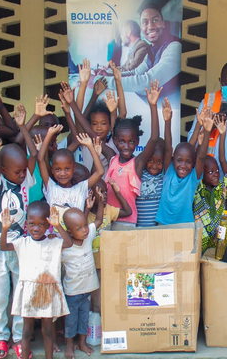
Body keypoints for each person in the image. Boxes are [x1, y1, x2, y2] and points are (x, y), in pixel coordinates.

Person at [0, 204, 72, 359]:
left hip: (47, 291)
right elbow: (4, 246)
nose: (36, 228)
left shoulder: (53, 242)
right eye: (32, 224)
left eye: (41, 224)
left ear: (47, 225)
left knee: (47, 330)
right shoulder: (22, 242)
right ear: (26, 224)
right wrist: (5, 228)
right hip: (28, 291)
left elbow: (69, 243)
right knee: (26, 330)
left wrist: (57, 226)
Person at [0, 140, 38, 358]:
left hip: (20, 249)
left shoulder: (25, 182)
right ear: (3, 170)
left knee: (20, 294)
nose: (21, 174)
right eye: (17, 171)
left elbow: (34, 156)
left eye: (23, 170)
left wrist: (26, 126)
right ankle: (1, 337)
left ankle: (19, 339)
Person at [106, 80, 162, 226]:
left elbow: (154, 138)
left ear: (137, 142)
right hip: (107, 220)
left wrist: (153, 105)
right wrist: (113, 112)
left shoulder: (137, 163)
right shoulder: (112, 158)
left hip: (127, 224)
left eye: (131, 141)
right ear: (116, 141)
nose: (126, 146)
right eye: (122, 141)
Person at [193, 116, 227, 252]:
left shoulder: (221, 189)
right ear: (202, 174)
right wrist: (200, 144)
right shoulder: (197, 189)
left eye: (217, 170)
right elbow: (198, 160)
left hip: (217, 243)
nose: (216, 174)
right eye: (210, 172)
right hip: (198, 243)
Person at [37, 124, 104, 223]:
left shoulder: (81, 188)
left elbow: (100, 172)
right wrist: (49, 135)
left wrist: (90, 146)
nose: (62, 173)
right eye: (58, 169)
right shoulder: (50, 186)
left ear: (74, 168)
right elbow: (40, 159)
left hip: (75, 237)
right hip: (54, 237)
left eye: (67, 169)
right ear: (52, 170)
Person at [61, 203, 103, 359]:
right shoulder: (64, 247)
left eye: (85, 225)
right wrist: (55, 228)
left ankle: (83, 343)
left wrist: (99, 201)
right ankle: (70, 344)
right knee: (71, 321)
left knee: (84, 318)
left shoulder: (88, 236)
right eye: (79, 229)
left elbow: (98, 220)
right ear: (69, 232)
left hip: (87, 290)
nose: (85, 230)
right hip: (72, 292)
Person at [155, 111, 210, 225]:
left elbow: (201, 157)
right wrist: (167, 121)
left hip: (185, 226)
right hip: (163, 224)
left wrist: (207, 131)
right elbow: (168, 148)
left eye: (188, 162)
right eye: (179, 160)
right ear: (173, 160)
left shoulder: (193, 178)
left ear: (193, 163)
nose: (183, 165)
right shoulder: (168, 172)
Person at [86, 180, 131, 314]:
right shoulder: (87, 214)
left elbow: (128, 211)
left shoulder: (109, 210)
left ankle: (98, 324)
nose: (104, 195)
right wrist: (88, 207)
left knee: (99, 298)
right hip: (89, 263)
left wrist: (116, 192)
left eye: (105, 192)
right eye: (100, 192)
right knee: (87, 299)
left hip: (104, 263)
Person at [120, 2, 181, 95]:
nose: (151, 26)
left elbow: (149, 82)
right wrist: (106, 76)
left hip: (172, 108)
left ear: (163, 23)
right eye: (145, 23)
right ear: (141, 28)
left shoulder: (175, 46)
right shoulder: (151, 49)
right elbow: (135, 73)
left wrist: (105, 82)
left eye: (155, 20)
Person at [136, 98, 172, 227]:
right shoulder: (139, 172)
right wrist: (153, 105)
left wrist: (167, 122)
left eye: (159, 162)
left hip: (157, 232)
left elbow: (168, 150)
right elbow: (153, 138)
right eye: (150, 160)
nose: (154, 166)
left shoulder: (164, 175)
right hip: (138, 229)